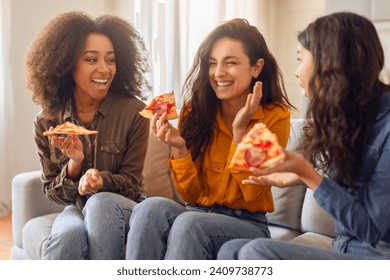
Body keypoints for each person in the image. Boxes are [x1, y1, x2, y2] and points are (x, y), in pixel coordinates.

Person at [217, 12, 390, 260]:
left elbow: (370, 229)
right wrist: (301, 175)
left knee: (256, 252)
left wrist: (306, 173)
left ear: (329, 61)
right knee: (230, 250)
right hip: (344, 248)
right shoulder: (351, 116)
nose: (297, 72)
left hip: (376, 258)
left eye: (301, 59)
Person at [125, 18, 294, 260]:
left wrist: (240, 131)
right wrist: (179, 147)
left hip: (246, 223)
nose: (218, 73)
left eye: (231, 63)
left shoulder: (275, 116)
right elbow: (191, 197)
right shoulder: (196, 111)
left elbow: (253, 193)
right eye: (212, 64)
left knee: (189, 223)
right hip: (196, 211)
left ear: (256, 68)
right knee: (147, 209)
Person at [25, 11, 151, 259]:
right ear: (67, 64)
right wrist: (75, 164)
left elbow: (131, 183)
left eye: (111, 60)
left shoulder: (135, 112)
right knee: (67, 236)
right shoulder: (47, 121)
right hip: (77, 208)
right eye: (91, 59)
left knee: (100, 204)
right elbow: (53, 191)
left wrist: (101, 181)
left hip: (125, 208)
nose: (104, 69)